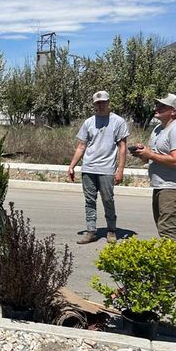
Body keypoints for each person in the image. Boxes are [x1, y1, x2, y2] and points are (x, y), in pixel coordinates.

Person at [67, 90, 129, 244]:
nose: (101, 105)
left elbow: (122, 147)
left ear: (108, 103)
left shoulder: (118, 121)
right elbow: (81, 146)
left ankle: (111, 230)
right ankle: (91, 231)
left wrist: (120, 169)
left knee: (108, 199)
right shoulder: (89, 122)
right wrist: (72, 165)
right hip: (89, 168)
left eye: (103, 102)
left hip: (106, 168)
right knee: (89, 201)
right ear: (94, 104)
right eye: (98, 103)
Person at [132, 93, 176, 241]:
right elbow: (153, 156)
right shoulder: (158, 129)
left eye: (162, 106)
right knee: (163, 227)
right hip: (161, 185)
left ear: (174, 111)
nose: (157, 108)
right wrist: (143, 153)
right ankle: (169, 255)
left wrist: (150, 154)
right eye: (157, 105)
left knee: (168, 230)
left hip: (175, 187)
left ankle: (170, 257)